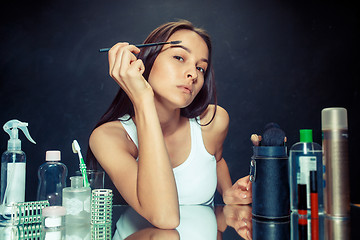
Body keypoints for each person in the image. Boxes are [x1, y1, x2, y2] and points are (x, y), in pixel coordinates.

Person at [88, 20, 252, 229]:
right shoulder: (108, 138)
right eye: (179, 57)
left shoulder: (213, 121)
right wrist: (142, 100)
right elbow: (165, 218)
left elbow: (216, 160)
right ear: (146, 61)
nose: (193, 74)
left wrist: (228, 192)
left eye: (201, 68)